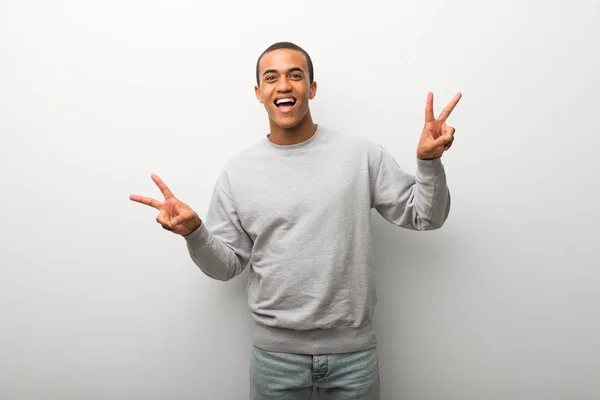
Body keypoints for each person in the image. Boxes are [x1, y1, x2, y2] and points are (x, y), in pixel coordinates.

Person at [130, 41, 461, 399]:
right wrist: (195, 234)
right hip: (275, 359)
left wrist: (429, 163)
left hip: (354, 356)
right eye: (271, 77)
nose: (283, 85)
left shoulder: (360, 156)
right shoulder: (239, 172)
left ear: (312, 88)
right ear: (259, 93)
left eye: (295, 76)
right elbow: (226, 266)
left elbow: (426, 216)